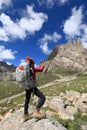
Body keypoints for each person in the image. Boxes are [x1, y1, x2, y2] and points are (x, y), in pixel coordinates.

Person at [23, 56, 46, 122]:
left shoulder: (25, 69)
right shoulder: (33, 69)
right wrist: (43, 64)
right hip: (32, 86)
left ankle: (25, 115)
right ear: (32, 63)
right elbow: (41, 69)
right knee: (42, 98)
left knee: (27, 100)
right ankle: (36, 111)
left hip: (27, 87)